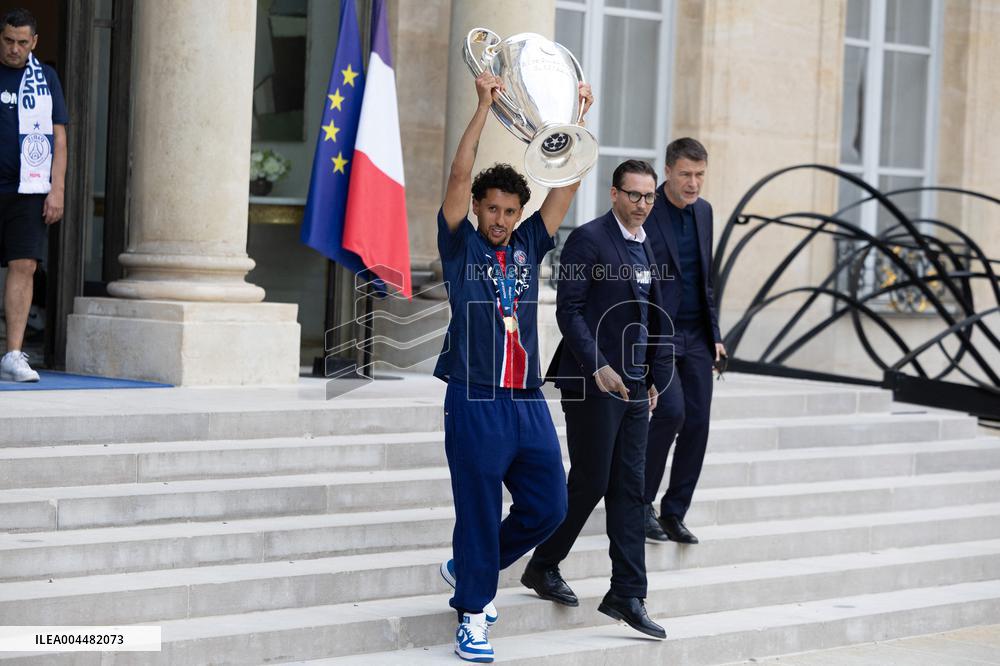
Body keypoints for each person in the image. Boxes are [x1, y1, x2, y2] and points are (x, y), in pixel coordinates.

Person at [434, 70, 592, 663]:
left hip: (526, 399)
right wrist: (481, 106)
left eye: (508, 210)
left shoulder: (528, 243)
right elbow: (456, 173)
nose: (500, 218)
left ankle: (469, 567)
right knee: (477, 510)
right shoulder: (461, 245)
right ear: (476, 208)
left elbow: (567, 188)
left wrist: (577, 119)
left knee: (549, 506)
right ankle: (473, 615)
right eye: (491, 208)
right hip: (475, 397)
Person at [522, 159, 670, 640]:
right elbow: (570, 310)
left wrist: (648, 374)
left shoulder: (647, 245)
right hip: (590, 380)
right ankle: (543, 563)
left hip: (632, 383)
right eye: (634, 195)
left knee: (631, 486)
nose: (642, 205)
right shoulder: (589, 239)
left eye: (649, 197)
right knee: (590, 481)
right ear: (614, 193)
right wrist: (599, 365)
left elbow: (646, 316)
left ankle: (628, 593)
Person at [642, 138, 725, 546]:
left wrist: (716, 336)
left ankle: (675, 512)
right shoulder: (647, 208)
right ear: (669, 171)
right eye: (686, 175)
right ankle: (640, 504)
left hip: (696, 335)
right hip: (660, 332)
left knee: (698, 423)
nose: (694, 184)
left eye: (700, 175)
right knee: (670, 412)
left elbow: (704, 279)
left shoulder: (704, 212)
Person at [0, 8, 66, 382]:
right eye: (9, 40)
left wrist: (56, 188)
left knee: (24, 265)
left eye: (22, 42)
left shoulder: (46, 78)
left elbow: (59, 137)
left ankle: (12, 353)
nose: (14, 49)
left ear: (34, 43)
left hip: (29, 189)